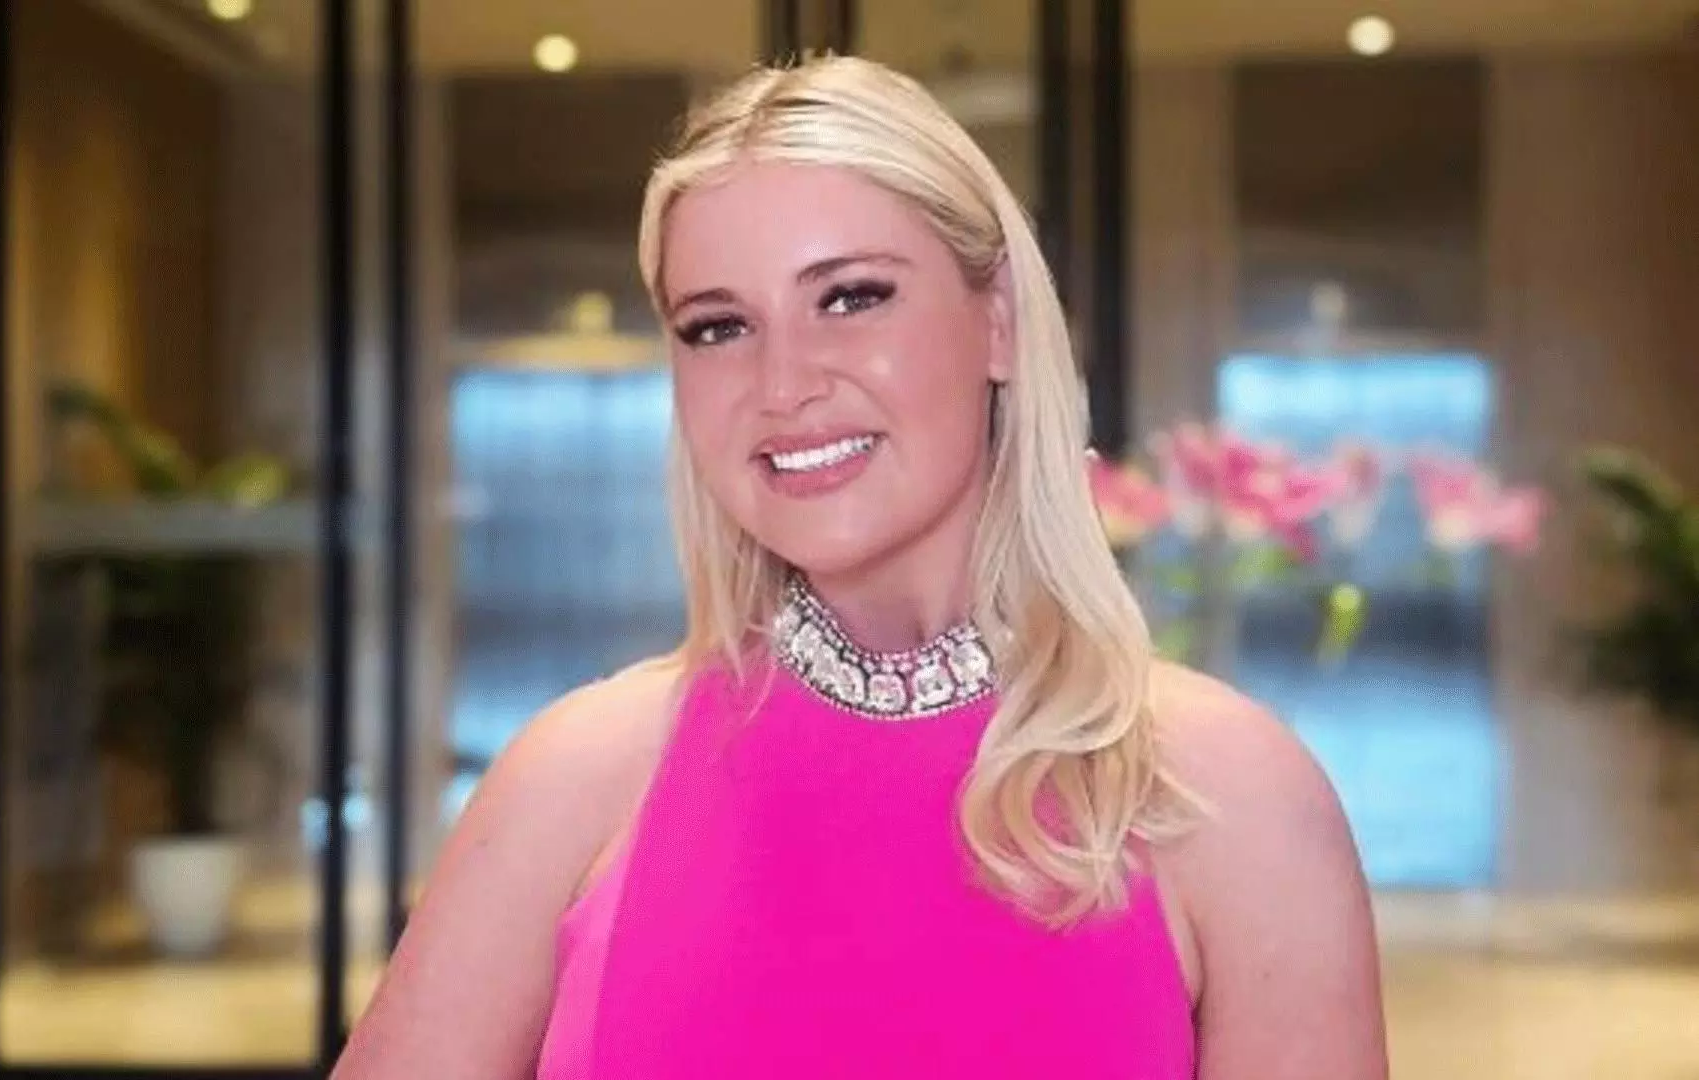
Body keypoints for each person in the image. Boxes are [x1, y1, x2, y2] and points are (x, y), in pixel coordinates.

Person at [333, 54, 1387, 1079]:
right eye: (718, 326)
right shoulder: (573, 780)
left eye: (849, 298)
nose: (782, 384)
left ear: (999, 320)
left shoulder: (1229, 798)